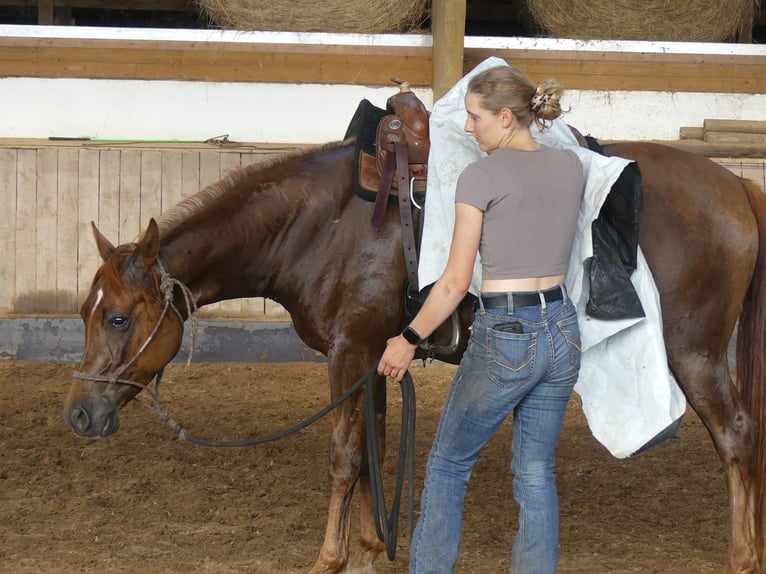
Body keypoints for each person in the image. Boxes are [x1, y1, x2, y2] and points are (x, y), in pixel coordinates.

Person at [377, 63, 586, 573]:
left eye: (474, 118)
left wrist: (408, 338)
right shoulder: (570, 166)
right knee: (536, 472)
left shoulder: (481, 175)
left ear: (506, 117)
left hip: (507, 335)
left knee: (449, 464)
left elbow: (453, 282)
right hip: (562, 328)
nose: (468, 129)